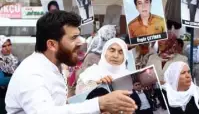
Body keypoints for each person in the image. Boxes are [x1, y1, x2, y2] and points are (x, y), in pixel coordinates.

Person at [5, 11, 137, 114]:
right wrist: (100, 103)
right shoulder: (32, 73)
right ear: (52, 45)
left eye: (79, 36)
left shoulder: (55, 68)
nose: (81, 42)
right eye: (74, 38)